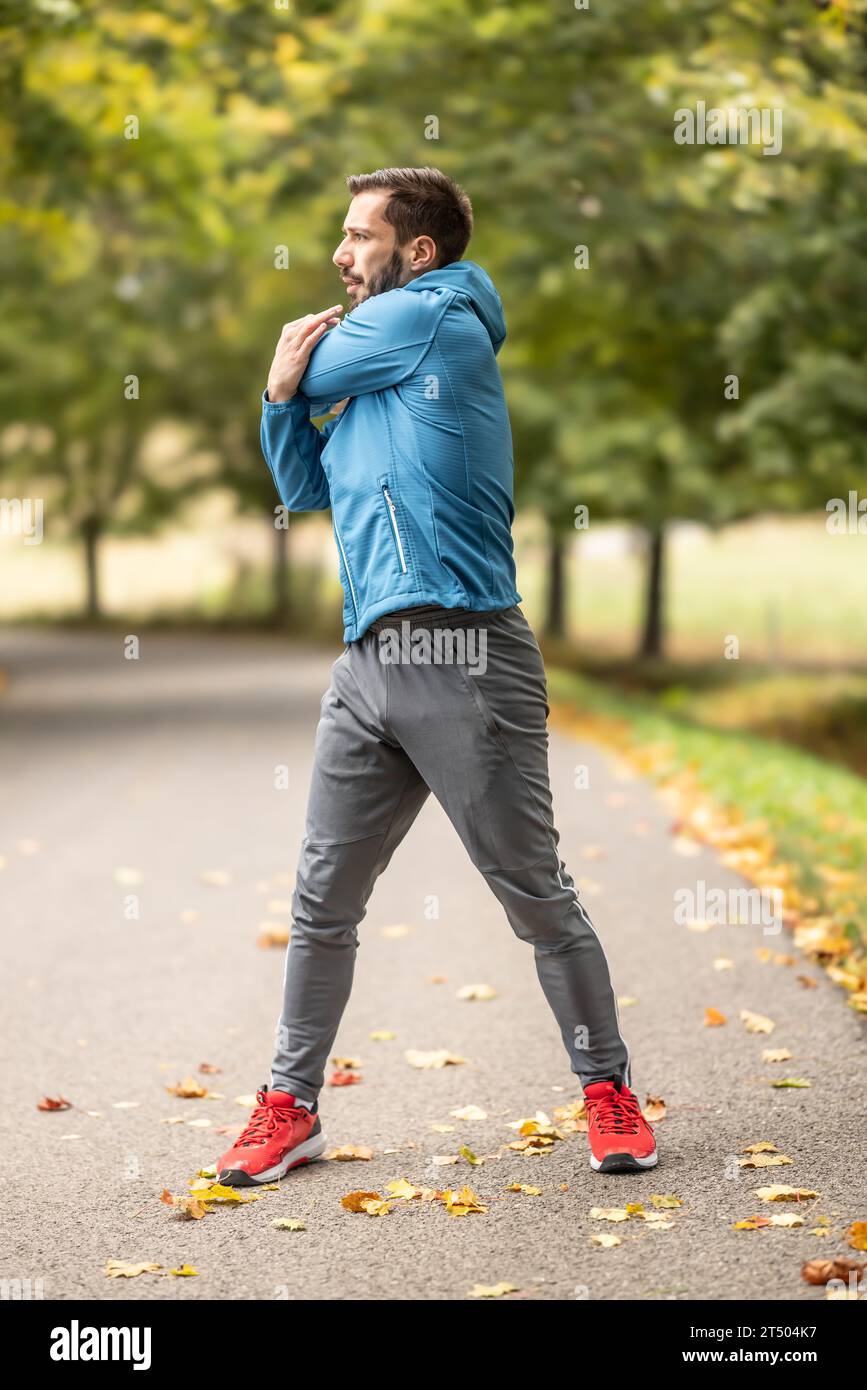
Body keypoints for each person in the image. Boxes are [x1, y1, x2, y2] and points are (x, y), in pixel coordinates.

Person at [216, 167, 657, 1184]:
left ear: (417, 251)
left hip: (465, 652)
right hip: (369, 658)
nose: (338, 254)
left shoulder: (435, 316)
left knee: (535, 896)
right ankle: (290, 1107)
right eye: (339, 233)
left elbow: (302, 375)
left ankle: (610, 1091)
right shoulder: (377, 362)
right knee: (323, 897)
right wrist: (284, 393)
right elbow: (297, 484)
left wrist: (285, 379)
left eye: (359, 234)